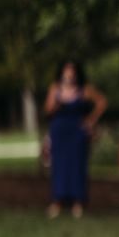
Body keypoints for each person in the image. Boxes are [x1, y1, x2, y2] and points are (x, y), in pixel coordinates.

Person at [43, 59, 107, 218]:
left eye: (72, 71)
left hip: (77, 132)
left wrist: (91, 120)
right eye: (66, 70)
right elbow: (48, 110)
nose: (69, 74)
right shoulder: (55, 88)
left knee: (77, 166)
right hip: (59, 132)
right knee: (59, 166)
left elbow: (102, 102)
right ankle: (58, 201)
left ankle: (78, 202)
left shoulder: (84, 89)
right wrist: (59, 99)